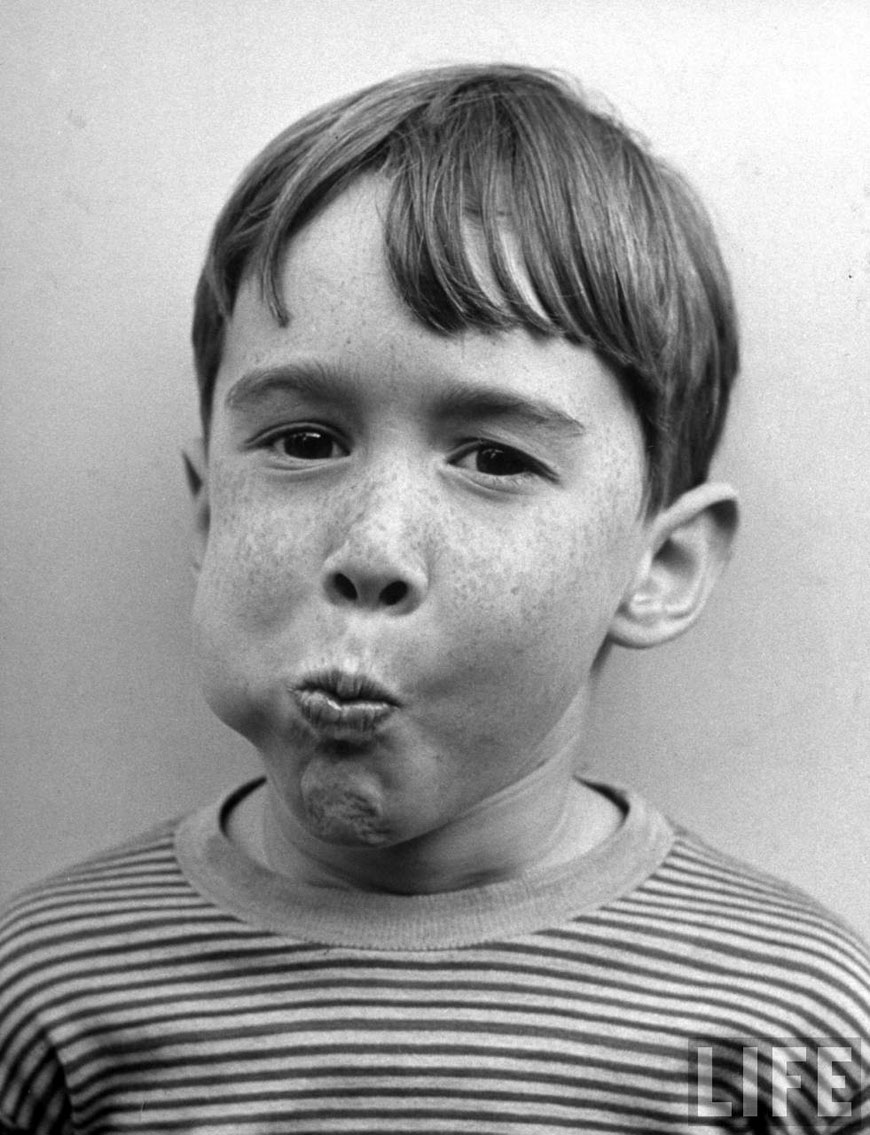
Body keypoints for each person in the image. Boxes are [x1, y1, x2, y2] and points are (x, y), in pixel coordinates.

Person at [1, 63, 868, 1134]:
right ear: (208, 512)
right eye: (305, 441)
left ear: (662, 567)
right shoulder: (47, 993)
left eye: (494, 459)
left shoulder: (793, 1012)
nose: (372, 549)